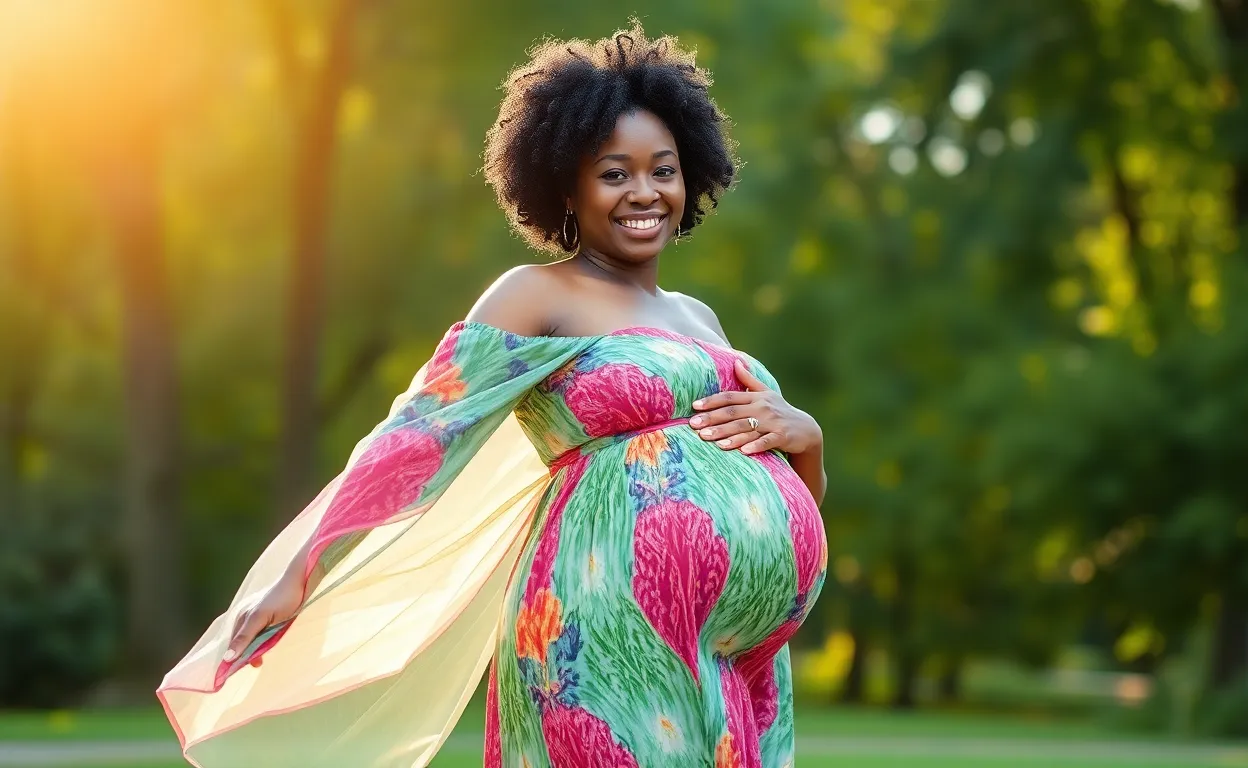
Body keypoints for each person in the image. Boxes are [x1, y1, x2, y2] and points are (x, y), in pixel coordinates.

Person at [159, 24, 827, 768]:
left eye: (662, 170)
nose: (645, 192)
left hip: (739, 661)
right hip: (603, 633)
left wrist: (807, 436)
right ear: (565, 186)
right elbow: (416, 436)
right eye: (614, 173)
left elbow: (788, 493)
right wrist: (300, 572)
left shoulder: (700, 319)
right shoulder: (536, 294)